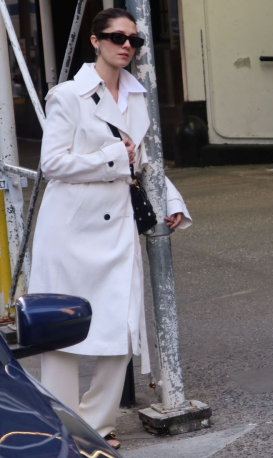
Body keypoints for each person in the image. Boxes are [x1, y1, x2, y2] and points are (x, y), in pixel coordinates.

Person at [29, 8, 192, 450]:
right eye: (117, 37)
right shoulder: (68, 94)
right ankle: (62, 426)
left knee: (121, 328)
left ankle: (96, 425)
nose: (127, 46)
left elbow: (143, 160)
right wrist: (112, 159)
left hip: (116, 226)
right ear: (95, 41)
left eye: (134, 40)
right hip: (70, 229)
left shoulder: (139, 94)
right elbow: (52, 163)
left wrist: (170, 200)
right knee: (62, 335)